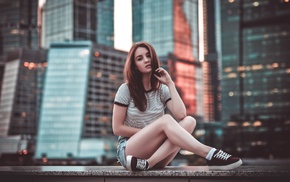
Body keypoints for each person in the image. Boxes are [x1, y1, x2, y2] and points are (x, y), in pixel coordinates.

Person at [112, 41, 242, 171]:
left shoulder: (162, 89)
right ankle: (208, 152)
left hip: (157, 156)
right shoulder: (126, 89)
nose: (146, 60)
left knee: (189, 121)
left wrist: (170, 83)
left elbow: (181, 115)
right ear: (134, 66)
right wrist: (153, 132)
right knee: (166, 120)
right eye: (140, 59)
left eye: (148, 55)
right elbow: (117, 128)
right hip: (130, 151)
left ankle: (148, 163)